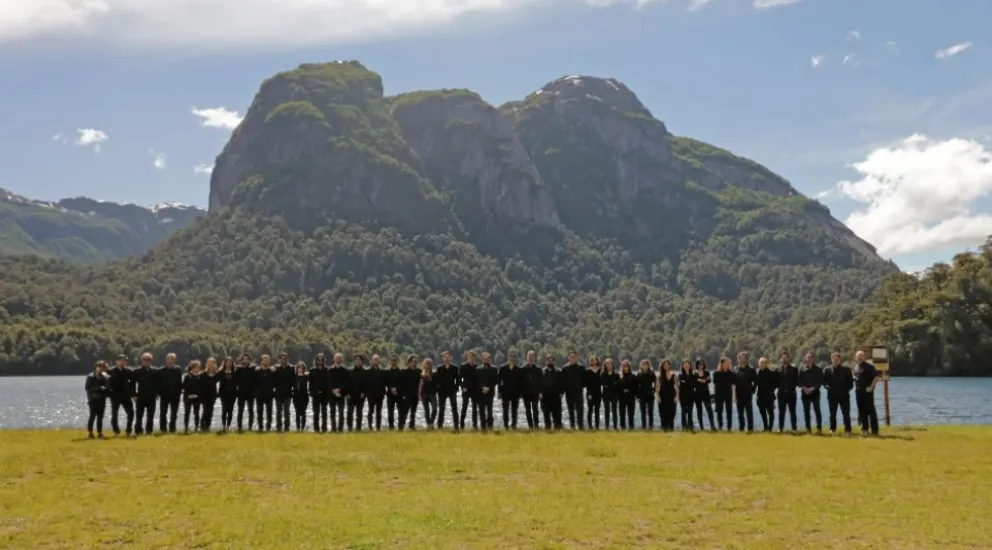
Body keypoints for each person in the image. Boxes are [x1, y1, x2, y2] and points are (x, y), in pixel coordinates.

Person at [823, 352, 854, 434]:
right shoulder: (827, 370)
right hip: (832, 396)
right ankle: (832, 429)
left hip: (844, 396)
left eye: (837, 359)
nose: (835, 361)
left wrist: (845, 390)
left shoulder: (846, 370)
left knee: (846, 414)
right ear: (831, 359)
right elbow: (824, 382)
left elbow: (851, 383)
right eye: (833, 359)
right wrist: (827, 386)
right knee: (832, 414)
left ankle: (848, 430)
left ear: (840, 360)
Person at [854, 350, 881, 436]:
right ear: (855, 357)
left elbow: (876, 377)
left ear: (864, 357)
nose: (859, 357)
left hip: (867, 392)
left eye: (861, 356)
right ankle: (864, 429)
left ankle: (875, 430)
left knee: (871, 411)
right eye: (858, 356)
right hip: (858, 392)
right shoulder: (856, 367)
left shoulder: (870, 367)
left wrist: (871, 387)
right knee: (862, 411)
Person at [107, 354, 134, 437]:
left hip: (126, 396)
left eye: (124, 360)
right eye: (120, 360)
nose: (122, 362)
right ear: (116, 361)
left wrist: (133, 394)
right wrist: (109, 393)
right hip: (115, 396)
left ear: (126, 362)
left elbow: (132, 383)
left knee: (131, 412)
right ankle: (116, 431)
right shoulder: (110, 371)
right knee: (114, 414)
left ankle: (128, 431)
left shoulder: (129, 371)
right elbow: (107, 383)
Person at [133, 352, 159, 436]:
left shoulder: (155, 370)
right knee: (139, 415)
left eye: (149, 359)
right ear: (142, 360)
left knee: (150, 415)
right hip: (141, 396)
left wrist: (157, 393)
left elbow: (158, 383)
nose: (147, 361)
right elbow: (132, 384)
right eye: (145, 359)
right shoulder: (137, 371)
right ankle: (138, 431)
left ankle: (149, 431)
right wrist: (134, 395)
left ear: (151, 361)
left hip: (152, 396)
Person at [799, 351, 824, 434]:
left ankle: (819, 429)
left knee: (817, 411)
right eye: (808, 357)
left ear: (813, 359)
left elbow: (820, 381)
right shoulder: (801, 368)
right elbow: (799, 381)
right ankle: (808, 430)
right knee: (806, 412)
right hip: (804, 393)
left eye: (811, 357)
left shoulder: (818, 369)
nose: (809, 359)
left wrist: (811, 389)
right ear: (805, 358)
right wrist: (804, 388)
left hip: (815, 393)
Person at [85, 360, 111, 439]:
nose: (100, 368)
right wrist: (99, 388)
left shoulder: (104, 376)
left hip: (102, 400)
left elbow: (108, 387)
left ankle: (99, 433)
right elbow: (88, 388)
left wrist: (107, 389)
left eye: (102, 367)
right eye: (99, 367)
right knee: (92, 416)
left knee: (100, 417)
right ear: (95, 367)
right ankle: (90, 433)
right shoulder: (90, 377)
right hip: (93, 400)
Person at [434, 351, 460, 430]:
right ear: (443, 358)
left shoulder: (455, 368)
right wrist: (437, 389)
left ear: (450, 358)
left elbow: (458, 379)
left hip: (452, 390)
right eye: (445, 357)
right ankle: (439, 426)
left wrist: (456, 388)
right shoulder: (439, 368)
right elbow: (436, 380)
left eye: (448, 357)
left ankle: (456, 426)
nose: (446, 358)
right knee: (441, 409)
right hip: (442, 391)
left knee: (454, 408)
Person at [159, 353, 183, 433]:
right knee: (163, 413)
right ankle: (163, 429)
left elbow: (180, 382)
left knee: (174, 414)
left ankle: (172, 429)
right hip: (164, 395)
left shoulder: (178, 370)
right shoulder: (161, 370)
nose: (170, 361)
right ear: (166, 360)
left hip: (175, 395)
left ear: (174, 360)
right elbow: (158, 383)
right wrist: (159, 393)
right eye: (168, 359)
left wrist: (179, 393)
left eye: (172, 359)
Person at [498, 351, 521, 430]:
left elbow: (521, 382)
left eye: (514, 356)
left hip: (515, 393)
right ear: (508, 357)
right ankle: (506, 426)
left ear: (515, 358)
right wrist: (499, 392)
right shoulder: (502, 368)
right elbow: (499, 382)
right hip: (505, 392)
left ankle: (514, 425)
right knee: (505, 410)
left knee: (514, 410)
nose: (512, 358)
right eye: (510, 356)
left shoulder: (518, 369)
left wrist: (520, 393)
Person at [562, 351, 586, 430]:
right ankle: (572, 427)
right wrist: (563, 391)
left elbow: (585, 380)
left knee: (580, 410)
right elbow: (563, 381)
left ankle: (581, 427)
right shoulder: (564, 368)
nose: (572, 358)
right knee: (570, 411)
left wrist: (580, 386)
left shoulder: (581, 368)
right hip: (569, 393)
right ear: (568, 358)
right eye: (571, 357)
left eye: (574, 357)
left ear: (576, 358)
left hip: (578, 392)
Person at [777, 351, 799, 433]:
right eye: (783, 357)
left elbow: (797, 381)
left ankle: (794, 429)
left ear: (788, 358)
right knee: (781, 412)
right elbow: (775, 382)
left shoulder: (794, 369)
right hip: (781, 394)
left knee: (793, 412)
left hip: (791, 394)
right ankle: (780, 428)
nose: (784, 359)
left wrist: (791, 387)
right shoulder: (778, 370)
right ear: (781, 359)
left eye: (786, 357)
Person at [734, 352, 756, 433]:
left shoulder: (751, 369)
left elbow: (755, 381)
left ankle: (750, 429)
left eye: (742, 358)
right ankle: (741, 429)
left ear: (746, 359)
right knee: (740, 413)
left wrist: (753, 390)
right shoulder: (735, 369)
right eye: (739, 358)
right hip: (738, 394)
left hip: (747, 394)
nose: (741, 360)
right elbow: (734, 383)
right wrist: (734, 395)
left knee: (749, 412)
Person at [540, 354, 564, 430]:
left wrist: (562, 393)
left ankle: (558, 432)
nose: (550, 361)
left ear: (554, 361)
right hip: (545, 398)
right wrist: (540, 393)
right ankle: (548, 432)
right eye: (548, 360)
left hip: (556, 398)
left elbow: (562, 384)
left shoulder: (559, 372)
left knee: (557, 418)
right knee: (546, 418)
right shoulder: (541, 372)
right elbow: (539, 384)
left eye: (551, 360)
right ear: (546, 361)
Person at [755, 357, 779, 432]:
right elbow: (755, 385)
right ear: (759, 364)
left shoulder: (771, 373)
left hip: (769, 397)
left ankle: (770, 428)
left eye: (764, 363)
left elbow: (775, 385)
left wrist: (773, 398)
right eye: (761, 363)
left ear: (766, 364)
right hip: (760, 397)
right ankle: (765, 428)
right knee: (763, 414)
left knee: (771, 414)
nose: (762, 364)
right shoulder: (757, 374)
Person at [234, 353, 256, 432]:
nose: (245, 361)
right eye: (244, 359)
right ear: (242, 360)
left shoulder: (253, 368)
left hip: (251, 393)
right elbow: (235, 381)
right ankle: (239, 427)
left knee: (251, 410)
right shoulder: (238, 369)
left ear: (249, 360)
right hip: (241, 393)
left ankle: (250, 427)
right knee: (240, 411)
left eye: (247, 359)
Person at [364, 354, 386, 431]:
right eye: (374, 360)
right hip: (371, 395)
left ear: (379, 361)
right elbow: (365, 384)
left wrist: (383, 393)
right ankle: (370, 427)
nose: (376, 361)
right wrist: (367, 394)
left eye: (377, 360)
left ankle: (378, 427)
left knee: (379, 412)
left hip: (380, 395)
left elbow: (384, 383)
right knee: (370, 411)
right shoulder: (368, 372)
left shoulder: (381, 372)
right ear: (371, 361)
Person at [477, 352, 498, 431]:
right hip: (481, 393)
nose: (486, 360)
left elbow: (495, 380)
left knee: (490, 411)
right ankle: (483, 428)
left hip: (490, 392)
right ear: (482, 359)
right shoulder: (478, 369)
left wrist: (489, 387)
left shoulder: (494, 369)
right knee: (481, 411)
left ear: (489, 359)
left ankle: (490, 427)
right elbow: (477, 381)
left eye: (487, 359)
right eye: (484, 359)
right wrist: (482, 387)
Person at [273, 353, 294, 433]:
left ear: (287, 359)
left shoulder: (291, 369)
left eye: (285, 359)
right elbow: (273, 381)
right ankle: (278, 427)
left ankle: (287, 427)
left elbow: (293, 381)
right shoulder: (276, 369)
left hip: (288, 393)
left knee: (287, 411)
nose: (283, 360)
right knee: (278, 411)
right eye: (281, 359)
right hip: (278, 393)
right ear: (279, 360)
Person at [253, 354, 274, 433]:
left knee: (269, 413)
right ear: (261, 361)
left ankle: (268, 428)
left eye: (267, 360)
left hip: (269, 395)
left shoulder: (272, 371)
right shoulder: (257, 371)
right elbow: (254, 383)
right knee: (259, 413)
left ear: (269, 361)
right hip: (259, 395)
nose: (266, 361)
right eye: (264, 360)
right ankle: (260, 428)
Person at [327, 353, 348, 433]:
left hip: (341, 394)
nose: (338, 359)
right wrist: (333, 390)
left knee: (341, 412)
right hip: (331, 394)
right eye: (337, 358)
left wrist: (339, 390)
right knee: (332, 412)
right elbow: (328, 382)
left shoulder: (345, 370)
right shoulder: (329, 370)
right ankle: (333, 428)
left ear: (341, 360)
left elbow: (345, 382)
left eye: (339, 358)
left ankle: (340, 429)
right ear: (334, 359)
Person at [521, 351, 542, 430]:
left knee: (535, 409)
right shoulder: (523, 369)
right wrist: (521, 393)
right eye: (529, 356)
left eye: (532, 356)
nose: (531, 358)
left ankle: (536, 426)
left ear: (534, 358)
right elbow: (521, 382)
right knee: (528, 410)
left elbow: (541, 382)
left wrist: (540, 392)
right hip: (526, 394)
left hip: (535, 393)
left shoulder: (538, 369)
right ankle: (530, 427)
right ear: (527, 358)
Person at [712, 356, 734, 431]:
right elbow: (715, 385)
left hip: (728, 394)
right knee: (719, 411)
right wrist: (714, 396)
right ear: (722, 364)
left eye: (728, 363)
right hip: (719, 394)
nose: (727, 365)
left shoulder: (731, 373)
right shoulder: (716, 373)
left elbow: (734, 383)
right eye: (726, 363)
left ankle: (729, 427)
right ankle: (720, 426)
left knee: (729, 411)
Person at [459, 351, 479, 431]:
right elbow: (459, 379)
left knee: (475, 408)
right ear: (467, 357)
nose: (471, 358)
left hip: (475, 390)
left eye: (472, 357)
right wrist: (462, 387)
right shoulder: (463, 366)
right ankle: (461, 425)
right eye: (469, 356)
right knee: (464, 407)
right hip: (466, 389)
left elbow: (479, 379)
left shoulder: (477, 367)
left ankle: (475, 425)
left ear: (474, 358)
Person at [400, 355, 421, 431]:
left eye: (416, 362)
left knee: (413, 411)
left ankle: (411, 426)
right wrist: (402, 393)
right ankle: (401, 426)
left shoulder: (419, 371)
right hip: (407, 394)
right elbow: (401, 383)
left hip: (415, 394)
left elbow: (421, 383)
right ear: (409, 362)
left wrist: (419, 394)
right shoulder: (404, 371)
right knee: (405, 411)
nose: (415, 363)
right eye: (413, 361)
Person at [181, 360, 203, 433]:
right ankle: (186, 428)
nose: (198, 369)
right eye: (196, 367)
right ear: (193, 368)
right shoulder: (187, 376)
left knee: (196, 413)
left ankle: (196, 427)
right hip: (188, 397)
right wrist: (189, 395)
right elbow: (184, 387)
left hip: (197, 398)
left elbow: (201, 388)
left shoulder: (200, 376)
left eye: (199, 367)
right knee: (187, 413)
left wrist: (198, 395)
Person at [694, 359, 715, 431]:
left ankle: (712, 426)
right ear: (697, 365)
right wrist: (702, 380)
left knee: (709, 409)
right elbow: (694, 381)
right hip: (697, 394)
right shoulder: (694, 373)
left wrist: (702, 380)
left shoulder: (707, 372)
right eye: (699, 364)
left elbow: (709, 380)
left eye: (702, 364)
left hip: (706, 394)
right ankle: (701, 427)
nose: (701, 366)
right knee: (699, 410)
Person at [346, 354, 366, 432]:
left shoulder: (365, 372)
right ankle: (349, 428)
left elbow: (367, 384)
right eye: (356, 360)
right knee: (349, 412)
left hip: (360, 396)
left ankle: (358, 429)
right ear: (354, 361)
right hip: (350, 396)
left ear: (362, 362)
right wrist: (347, 393)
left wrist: (364, 393)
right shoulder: (349, 371)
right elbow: (346, 384)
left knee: (359, 413)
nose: (358, 361)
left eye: (359, 360)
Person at [656, 359, 678, 432]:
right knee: (663, 414)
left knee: (672, 414)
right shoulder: (659, 376)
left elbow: (677, 387)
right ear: (662, 366)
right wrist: (658, 396)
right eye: (664, 365)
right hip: (662, 397)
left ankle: (671, 429)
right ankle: (664, 429)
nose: (666, 366)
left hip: (672, 397)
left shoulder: (674, 375)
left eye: (668, 364)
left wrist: (677, 396)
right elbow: (657, 388)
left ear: (670, 365)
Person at [309, 353, 328, 433]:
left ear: (323, 361)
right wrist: (312, 393)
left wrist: (327, 393)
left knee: (324, 413)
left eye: (321, 360)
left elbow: (328, 383)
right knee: (316, 413)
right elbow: (310, 384)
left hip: (325, 395)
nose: (320, 361)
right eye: (318, 360)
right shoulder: (312, 371)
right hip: (315, 395)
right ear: (316, 361)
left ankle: (324, 428)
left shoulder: (327, 370)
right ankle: (316, 429)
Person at [218, 357, 238, 432]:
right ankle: (223, 426)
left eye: (230, 362)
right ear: (225, 363)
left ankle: (228, 426)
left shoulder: (235, 373)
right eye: (227, 362)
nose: (229, 363)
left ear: (232, 364)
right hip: (223, 394)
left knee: (230, 410)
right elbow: (214, 379)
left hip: (232, 394)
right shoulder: (221, 372)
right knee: (224, 410)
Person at [635, 359, 656, 430]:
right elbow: (636, 386)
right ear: (641, 366)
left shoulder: (652, 373)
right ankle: (643, 426)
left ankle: (651, 426)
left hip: (650, 395)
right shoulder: (639, 374)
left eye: (646, 364)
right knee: (643, 412)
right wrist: (637, 396)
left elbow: (656, 383)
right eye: (643, 364)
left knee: (650, 411)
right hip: (642, 396)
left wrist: (653, 390)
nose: (644, 366)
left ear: (648, 365)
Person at [200, 357, 219, 432]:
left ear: (214, 364)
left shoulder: (216, 374)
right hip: (204, 395)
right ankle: (202, 425)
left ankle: (208, 426)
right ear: (207, 364)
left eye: (212, 363)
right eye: (209, 363)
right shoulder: (203, 374)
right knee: (205, 410)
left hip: (212, 395)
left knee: (210, 411)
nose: (210, 365)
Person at [601, 358, 620, 430]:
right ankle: (607, 427)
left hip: (614, 395)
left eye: (610, 364)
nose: (609, 365)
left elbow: (617, 384)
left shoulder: (616, 374)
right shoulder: (603, 374)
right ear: (605, 365)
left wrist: (610, 384)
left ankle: (615, 427)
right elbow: (602, 383)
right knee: (607, 411)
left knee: (614, 411)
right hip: (606, 395)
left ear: (612, 365)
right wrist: (612, 383)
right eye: (607, 364)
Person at [584, 356, 603, 430]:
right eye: (592, 360)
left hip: (598, 393)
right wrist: (589, 394)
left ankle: (597, 427)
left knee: (597, 410)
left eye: (595, 360)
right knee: (590, 410)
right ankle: (590, 427)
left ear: (597, 361)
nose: (594, 361)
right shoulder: (588, 371)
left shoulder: (600, 370)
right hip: (590, 393)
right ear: (591, 361)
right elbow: (586, 383)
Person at [419, 358, 438, 428]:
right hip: (424, 394)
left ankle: (431, 423)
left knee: (435, 409)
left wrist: (437, 390)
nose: (427, 365)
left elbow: (437, 384)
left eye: (429, 364)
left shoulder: (434, 374)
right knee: (426, 410)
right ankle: (429, 425)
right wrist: (419, 395)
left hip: (432, 394)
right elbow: (420, 385)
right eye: (426, 364)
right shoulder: (422, 375)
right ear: (424, 365)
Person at [385, 355, 402, 430]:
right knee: (390, 411)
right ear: (390, 361)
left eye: (395, 360)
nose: (393, 362)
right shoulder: (387, 372)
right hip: (390, 394)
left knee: (400, 411)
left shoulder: (401, 372)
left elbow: (402, 383)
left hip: (399, 394)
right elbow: (386, 382)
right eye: (392, 360)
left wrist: (397, 389)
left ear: (397, 361)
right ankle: (391, 427)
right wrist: (391, 388)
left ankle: (400, 426)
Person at [618, 360, 636, 430]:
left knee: (631, 414)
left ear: (629, 367)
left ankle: (631, 427)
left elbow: (635, 387)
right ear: (622, 367)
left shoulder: (633, 376)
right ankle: (622, 427)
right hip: (622, 397)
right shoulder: (619, 376)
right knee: (622, 414)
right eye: (624, 366)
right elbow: (618, 387)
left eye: (627, 366)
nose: (626, 368)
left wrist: (631, 392)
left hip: (631, 397)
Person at [678, 361, 696, 432]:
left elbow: (693, 384)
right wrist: (688, 383)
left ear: (690, 366)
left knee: (690, 412)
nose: (686, 366)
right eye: (685, 365)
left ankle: (690, 426)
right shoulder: (680, 375)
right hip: (682, 396)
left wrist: (686, 382)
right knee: (683, 411)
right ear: (682, 366)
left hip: (691, 396)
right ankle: (684, 426)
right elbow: (681, 385)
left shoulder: (693, 375)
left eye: (688, 365)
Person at [293, 362, 309, 432]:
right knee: (297, 413)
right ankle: (298, 428)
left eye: (302, 368)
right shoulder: (294, 377)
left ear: (303, 369)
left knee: (303, 413)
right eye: (299, 367)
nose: (300, 369)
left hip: (304, 397)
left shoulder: (306, 376)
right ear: (297, 368)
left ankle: (302, 429)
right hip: (296, 397)